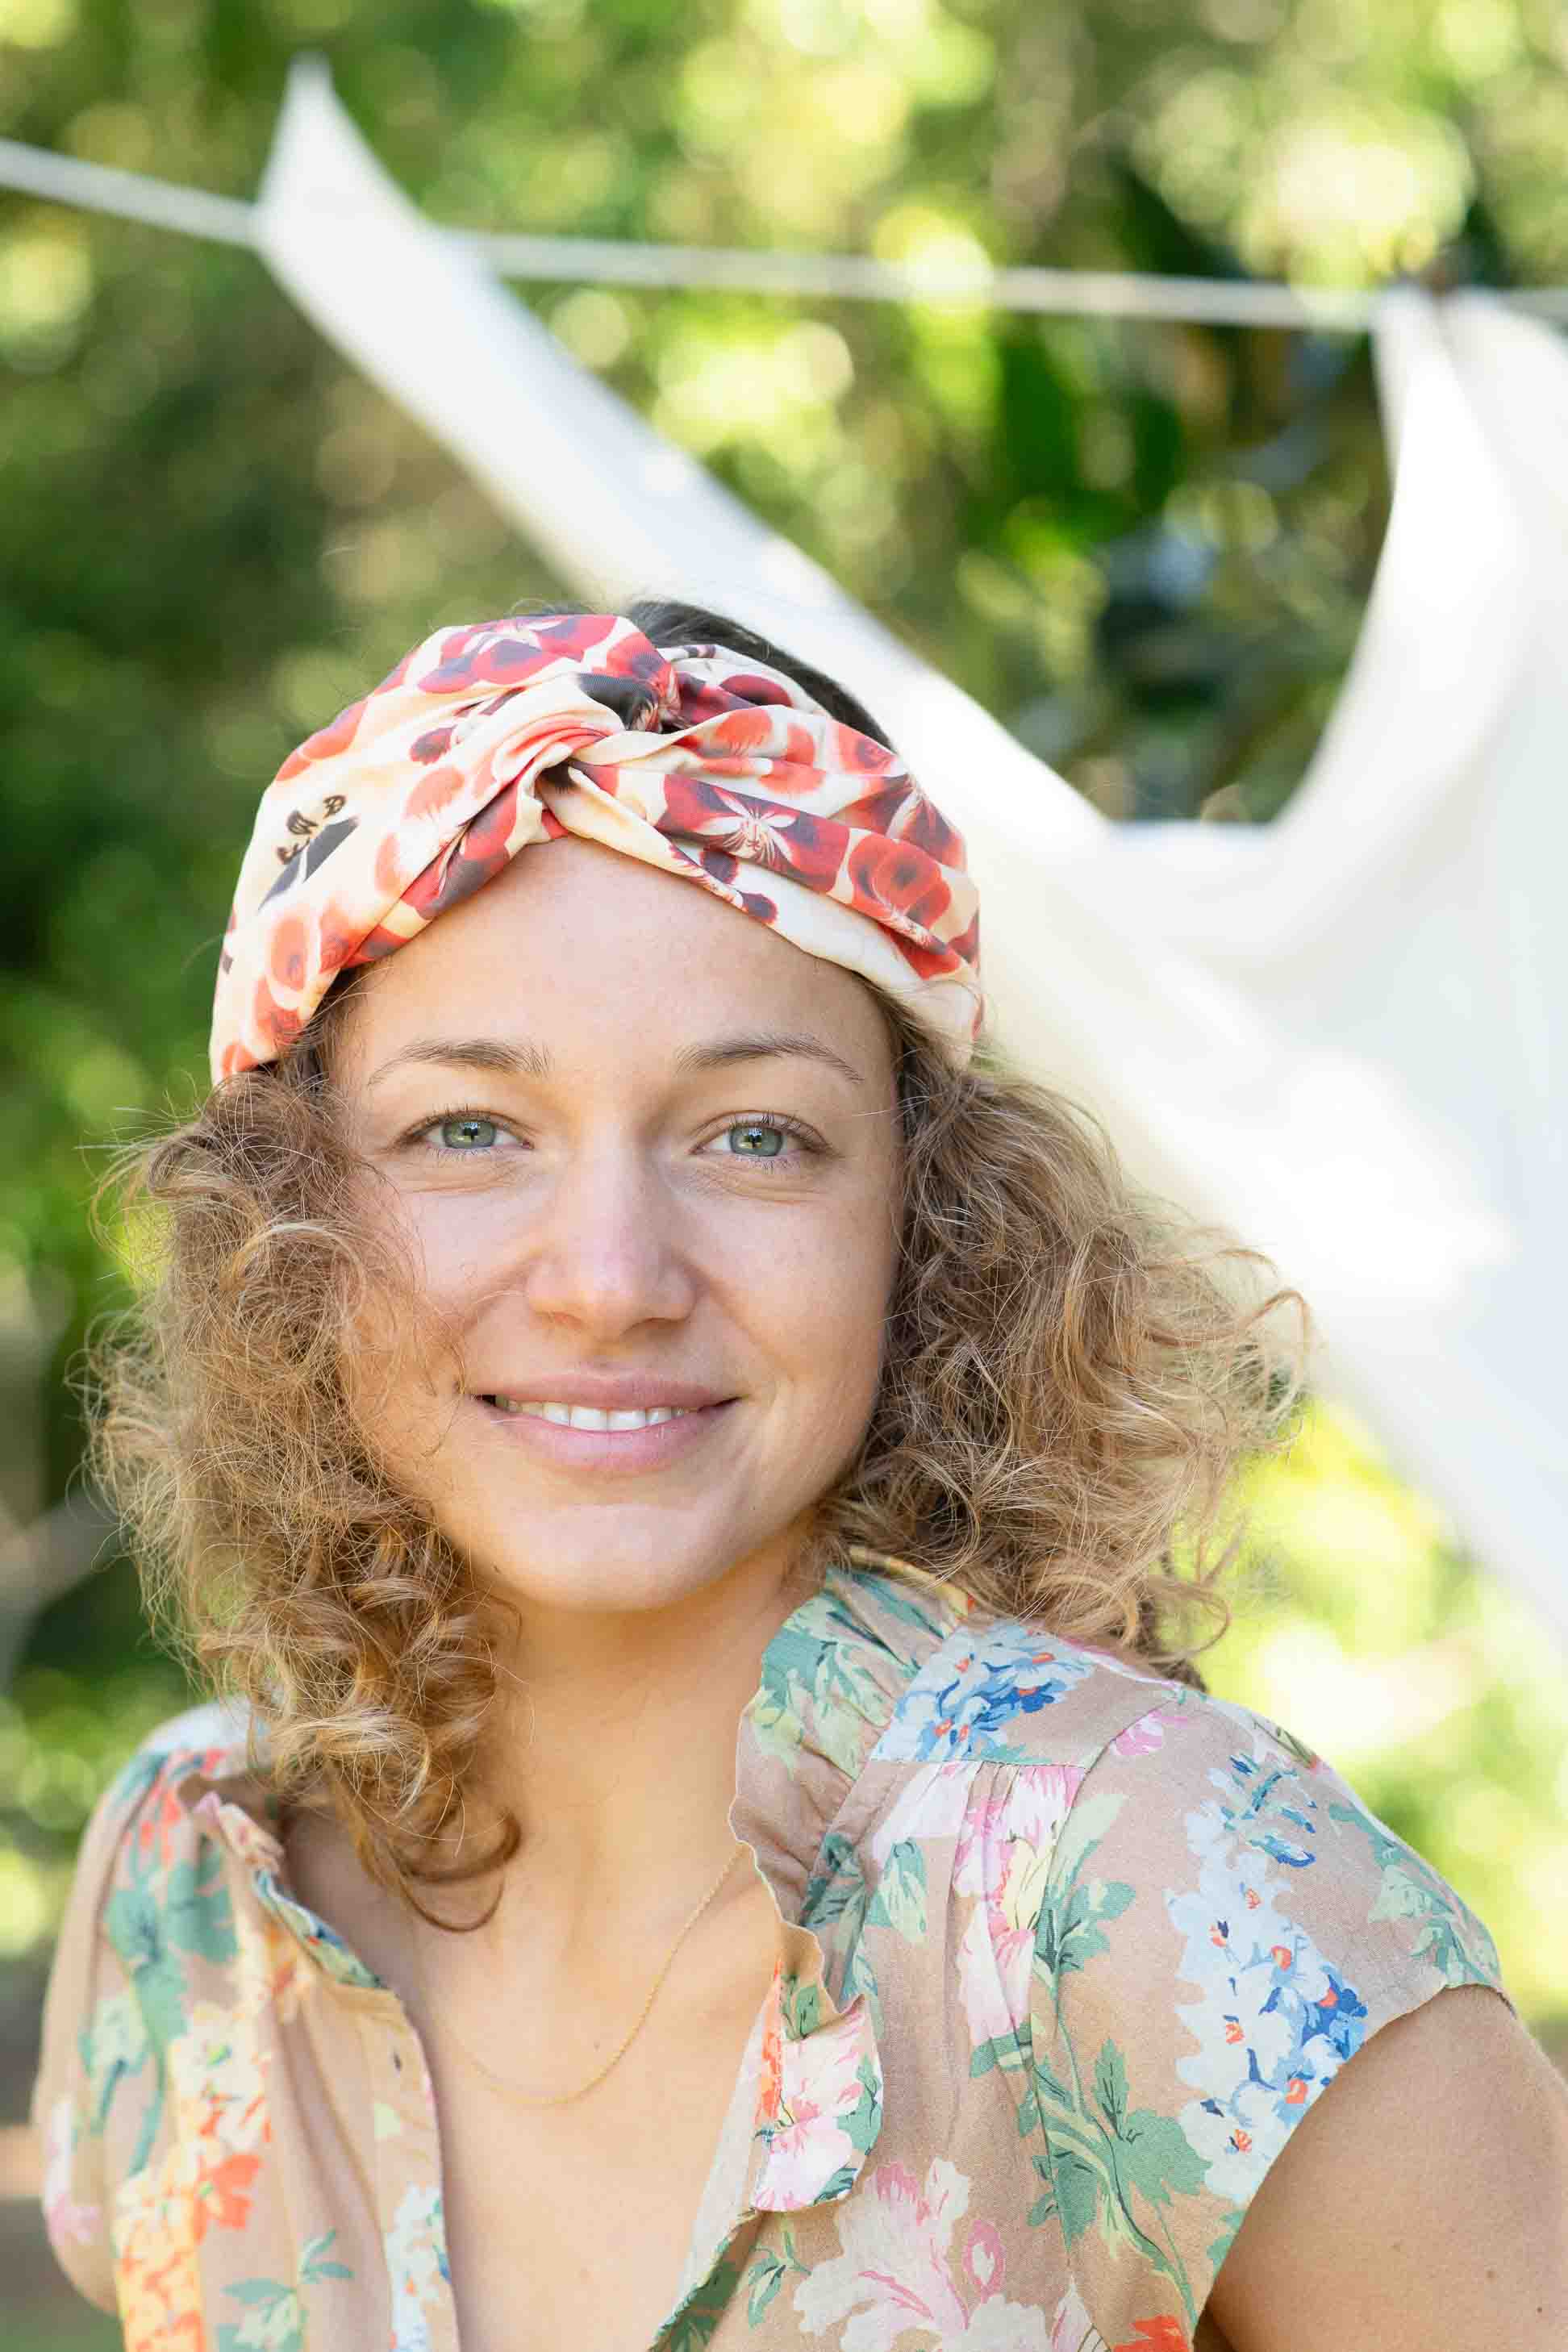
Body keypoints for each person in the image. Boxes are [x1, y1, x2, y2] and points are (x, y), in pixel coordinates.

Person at [31, 598, 1566, 2352]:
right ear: (287, 1220)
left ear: (930, 1218)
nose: (610, 1279)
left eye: (755, 1136)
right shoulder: (190, 1897)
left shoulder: (1164, 1890)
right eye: (470, 1130)